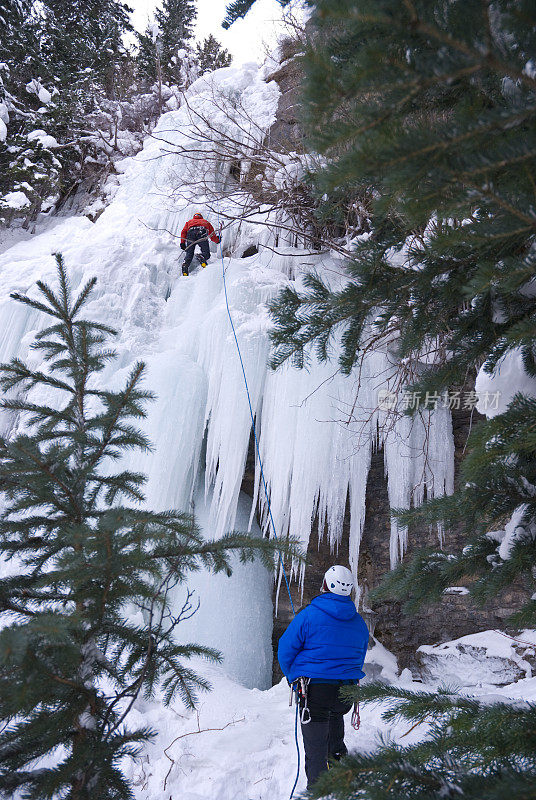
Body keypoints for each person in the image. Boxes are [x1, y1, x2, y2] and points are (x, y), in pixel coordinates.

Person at [278, 565, 369, 790]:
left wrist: (292, 676)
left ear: (326, 585)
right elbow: (359, 654)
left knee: (315, 744)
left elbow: (285, 648)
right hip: (346, 691)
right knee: (335, 720)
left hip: (315, 690)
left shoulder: (309, 615)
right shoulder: (358, 622)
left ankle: (319, 789)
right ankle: (339, 767)